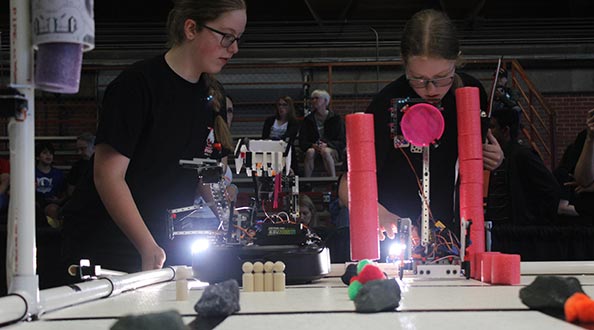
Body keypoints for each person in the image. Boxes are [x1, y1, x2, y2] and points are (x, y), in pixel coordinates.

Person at [61, 0, 247, 274]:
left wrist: (231, 220)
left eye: (238, 39)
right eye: (227, 36)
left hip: (163, 239)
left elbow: (203, 172)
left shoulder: (210, 95)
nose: (234, 48)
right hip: (108, 242)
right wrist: (146, 245)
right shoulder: (137, 85)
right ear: (191, 28)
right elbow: (108, 176)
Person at [338, 9, 504, 245]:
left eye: (441, 77)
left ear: (456, 59)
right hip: (397, 236)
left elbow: (473, 165)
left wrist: (494, 159)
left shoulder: (471, 94)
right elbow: (346, 186)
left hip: (453, 236)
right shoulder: (386, 104)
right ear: (404, 64)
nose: (431, 89)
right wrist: (379, 214)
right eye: (418, 78)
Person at [485, 107, 561, 225]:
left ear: (505, 131)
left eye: (493, 127)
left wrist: (534, 222)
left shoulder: (522, 155)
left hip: (518, 232)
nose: (488, 132)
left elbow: (551, 188)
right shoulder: (499, 157)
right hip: (498, 230)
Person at [299, 89, 346, 177]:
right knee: (310, 152)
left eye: (317, 98)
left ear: (325, 101)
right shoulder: (308, 120)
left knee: (325, 151)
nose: (314, 101)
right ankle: (307, 181)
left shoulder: (336, 119)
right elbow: (303, 141)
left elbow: (342, 140)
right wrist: (312, 145)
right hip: (314, 149)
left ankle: (333, 179)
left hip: (331, 149)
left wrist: (327, 144)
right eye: (312, 99)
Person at [35, 142, 67, 228]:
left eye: (50, 153)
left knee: (52, 209)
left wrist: (59, 200)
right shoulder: (31, 173)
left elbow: (64, 193)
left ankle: (55, 235)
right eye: (45, 153)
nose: (48, 156)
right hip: (35, 202)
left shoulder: (58, 174)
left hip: (52, 203)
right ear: (37, 156)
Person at [66, 132, 95, 196]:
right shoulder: (76, 166)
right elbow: (70, 192)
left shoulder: (103, 166)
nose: (79, 152)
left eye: (83, 149)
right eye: (78, 149)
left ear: (94, 147)